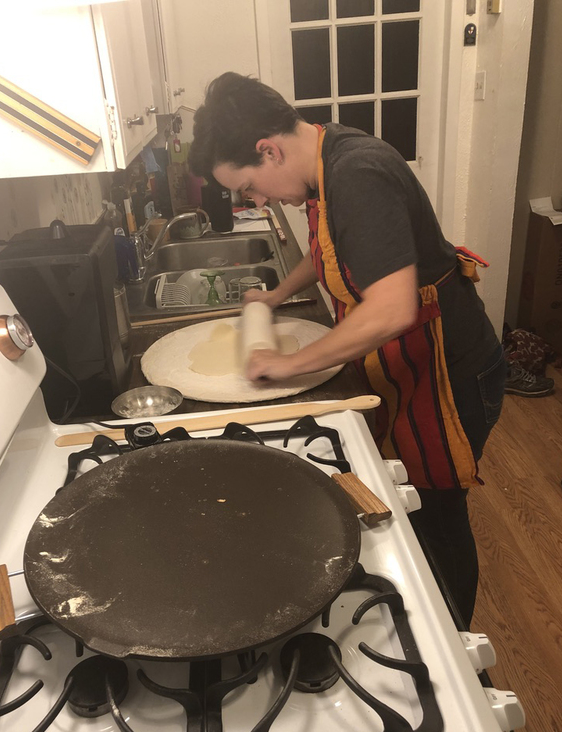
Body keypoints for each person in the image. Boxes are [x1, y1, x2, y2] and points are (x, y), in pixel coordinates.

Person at [188, 72, 506, 627]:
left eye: (248, 188)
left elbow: (392, 310)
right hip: (409, 370)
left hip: (451, 378)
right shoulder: (323, 162)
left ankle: (456, 646)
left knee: (438, 514)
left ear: (269, 149)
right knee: (415, 508)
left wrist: (285, 363)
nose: (256, 201)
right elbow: (332, 245)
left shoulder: (356, 172)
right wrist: (281, 293)